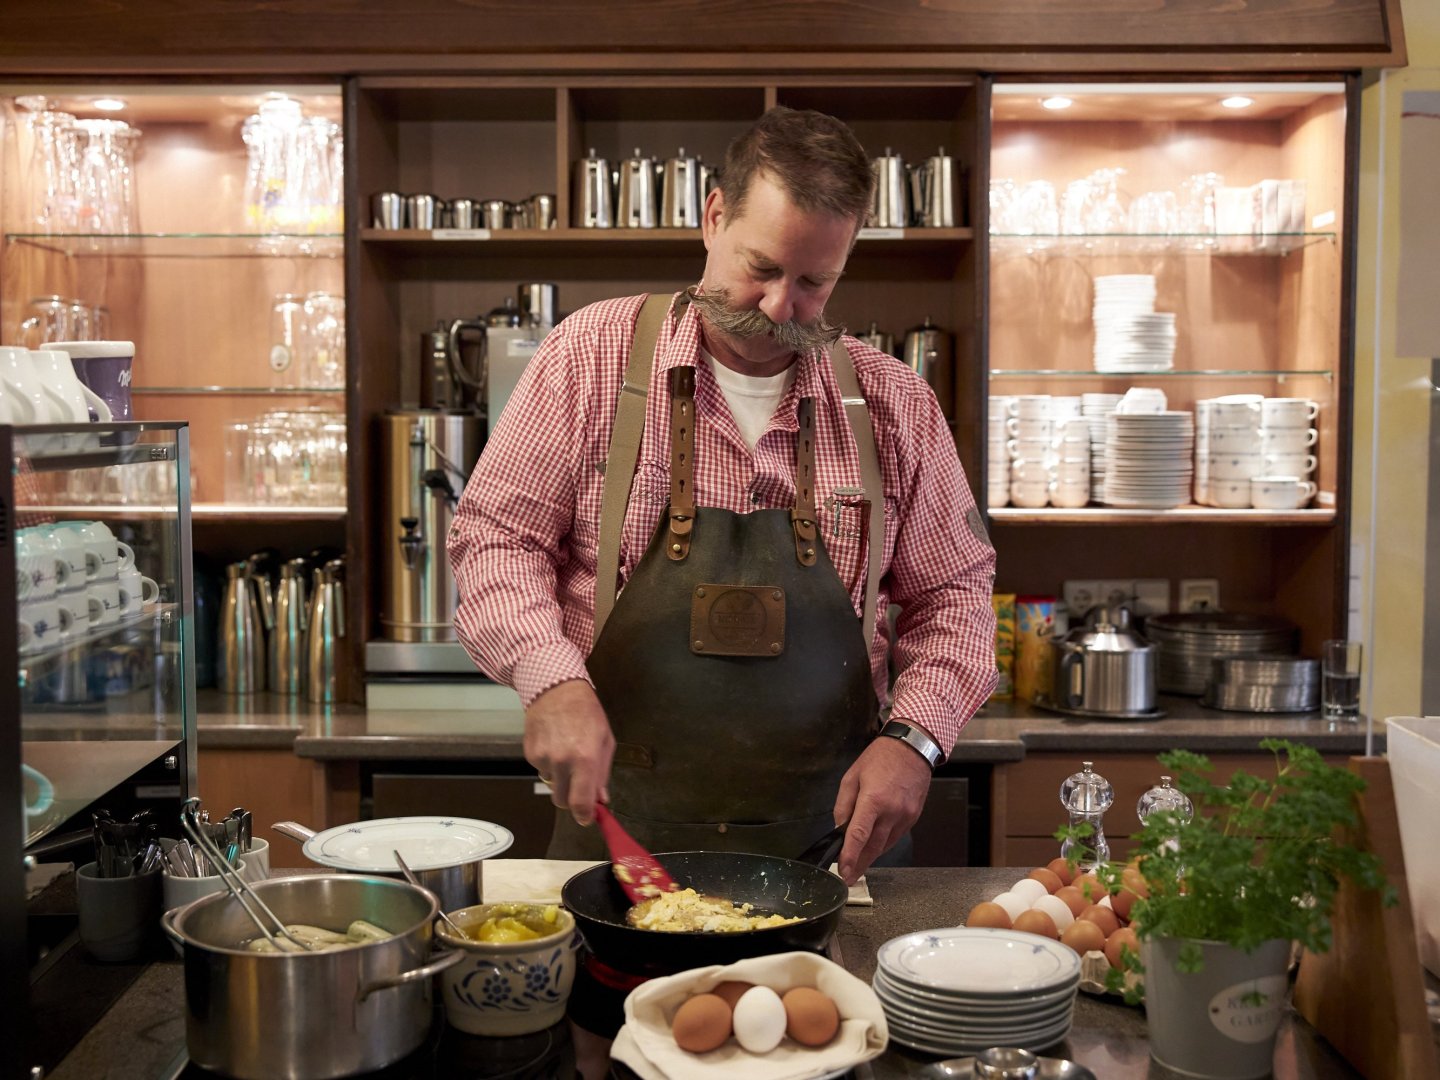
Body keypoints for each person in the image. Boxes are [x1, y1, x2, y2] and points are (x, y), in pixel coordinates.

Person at [449, 106, 996, 885]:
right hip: (617, 836)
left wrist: (917, 740)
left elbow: (956, 595)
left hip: (837, 848)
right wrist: (552, 680)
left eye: (815, 283)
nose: (780, 307)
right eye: (762, 268)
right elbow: (497, 537)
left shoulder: (894, 404)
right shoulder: (590, 358)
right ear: (713, 216)